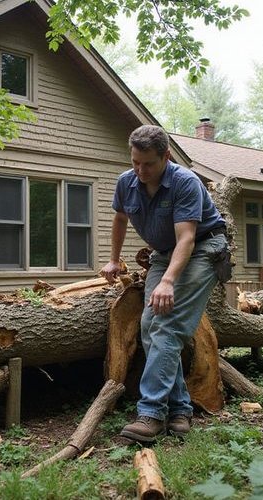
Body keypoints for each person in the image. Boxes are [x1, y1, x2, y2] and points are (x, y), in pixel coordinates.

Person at [100, 124, 229, 443]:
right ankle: (180, 409)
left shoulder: (185, 182)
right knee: (149, 324)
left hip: (203, 248)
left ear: (166, 157)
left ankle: (152, 414)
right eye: (135, 163)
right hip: (165, 252)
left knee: (166, 325)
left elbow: (186, 238)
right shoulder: (126, 182)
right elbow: (120, 219)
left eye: (148, 164)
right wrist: (114, 259)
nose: (140, 171)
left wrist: (168, 281)